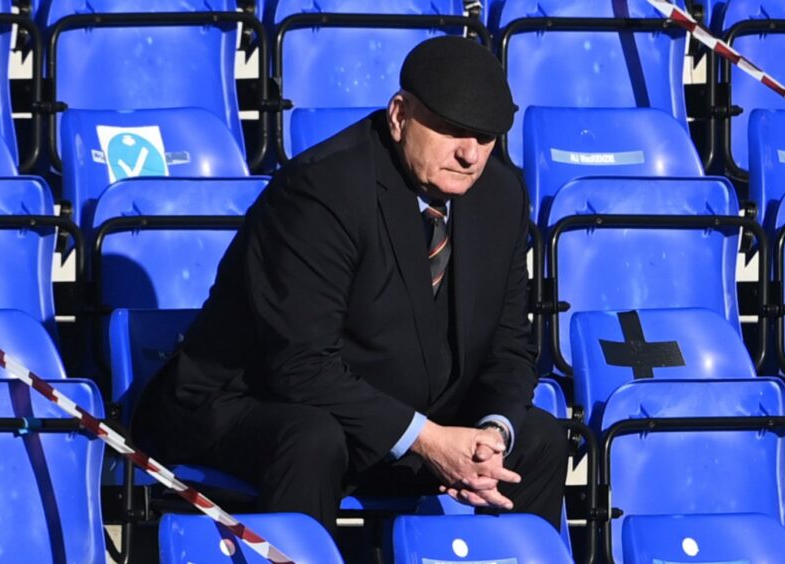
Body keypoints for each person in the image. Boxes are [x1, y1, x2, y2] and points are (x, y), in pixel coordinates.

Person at [131, 35, 568, 536]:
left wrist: (493, 434)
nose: (470, 154)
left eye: (486, 137)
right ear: (399, 115)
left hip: (396, 412)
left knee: (536, 440)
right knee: (313, 438)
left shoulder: (500, 196)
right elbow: (299, 366)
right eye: (450, 130)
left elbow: (509, 345)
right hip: (250, 405)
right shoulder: (320, 192)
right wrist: (426, 439)